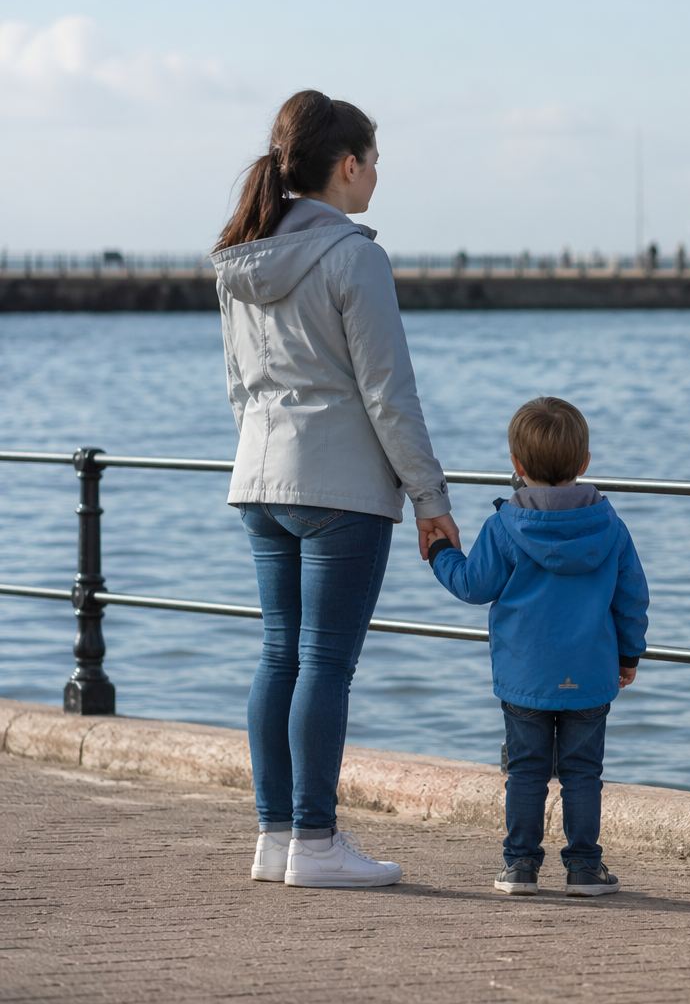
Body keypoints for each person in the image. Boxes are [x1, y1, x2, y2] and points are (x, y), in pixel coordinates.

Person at [211, 90, 460, 889]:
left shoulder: (240, 258)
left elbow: (239, 387)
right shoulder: (356, 257)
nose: (378, 175)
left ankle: (276, 838)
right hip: (339, 489)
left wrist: (265, 457)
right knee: (323, 662)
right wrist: (430, 499)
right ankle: (316, 843)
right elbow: (390, 394)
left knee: (279, 655)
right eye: (375, 162)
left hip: (260, 479)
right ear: (348, 166)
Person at [427, 397, 648, 897]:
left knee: (525, 771)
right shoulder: (610, 526)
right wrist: (629, 655)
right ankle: (584, 869)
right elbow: (632, 598)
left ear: (516, 464)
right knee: (583, 773)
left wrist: (441, 553)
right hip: (590, 673)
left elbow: (472, 585)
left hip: (524, 675)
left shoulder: (504, 527)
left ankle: (520, 867)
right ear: (584, 463)